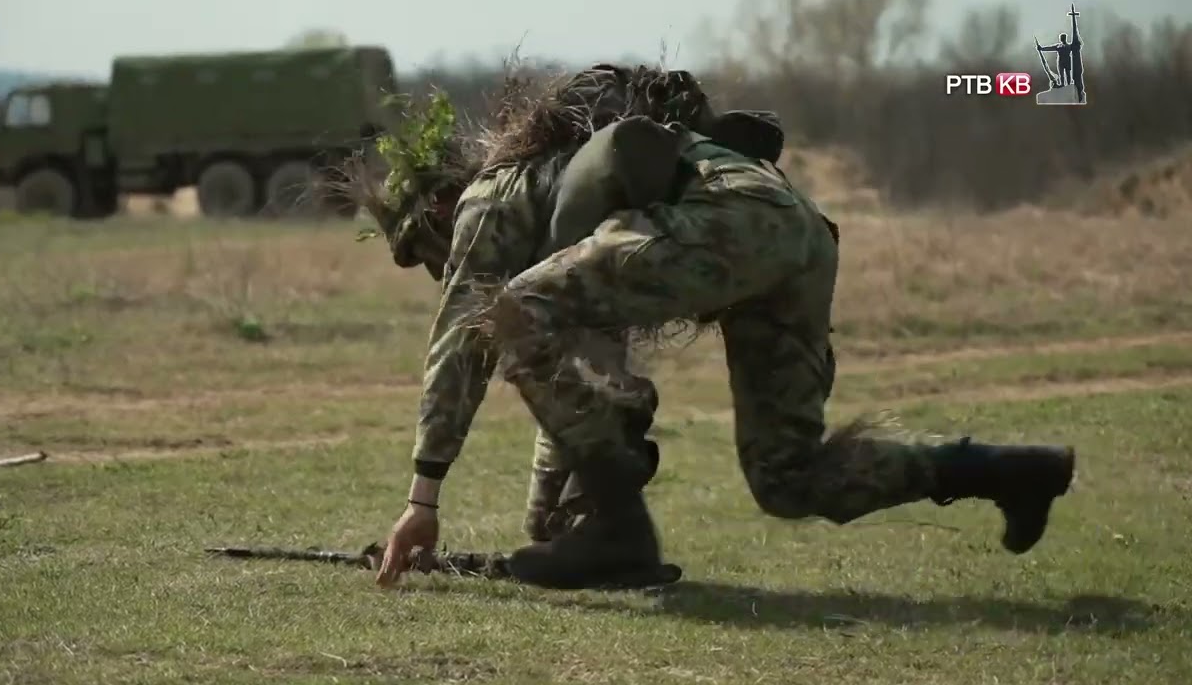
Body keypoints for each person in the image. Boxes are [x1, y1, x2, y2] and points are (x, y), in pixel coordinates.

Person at [364, 66, 1077, 590]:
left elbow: (471, 332)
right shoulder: (568, 234)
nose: (436, 271)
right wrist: (554, 525)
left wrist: (422, 500)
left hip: (733, 218)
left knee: (508, 313)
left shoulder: (490, 195)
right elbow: (588, 381)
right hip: (794, 231)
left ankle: (621, 529)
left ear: (433, 212)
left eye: (419, 256)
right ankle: (1006, 471)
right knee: (787, 477)